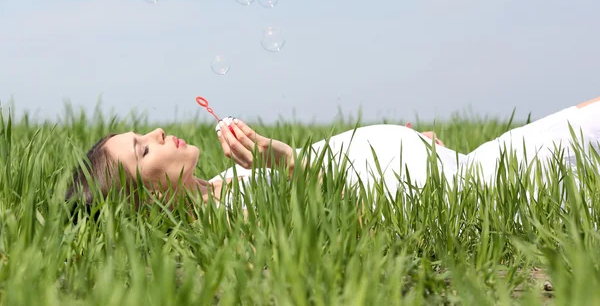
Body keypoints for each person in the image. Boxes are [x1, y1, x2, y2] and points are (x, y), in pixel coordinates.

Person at [65, 97, 600, 207]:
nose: (157, 133)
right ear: (146, 197)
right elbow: (343, 205)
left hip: (466, 168)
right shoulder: (232, 218)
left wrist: (411, 146)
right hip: (486, 185)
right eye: (141, 148)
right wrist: (280, 157)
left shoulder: (226, 187)